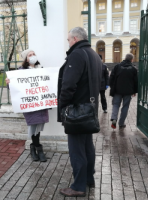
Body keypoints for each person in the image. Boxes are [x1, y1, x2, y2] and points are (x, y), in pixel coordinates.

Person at [57, 27, 102, 197]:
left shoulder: (76, 54)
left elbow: (68, 85)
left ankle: (78, 186)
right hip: (89, 110)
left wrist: (63, 107)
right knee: (87, 147)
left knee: (77, 150)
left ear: (75, 39)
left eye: (68, 40)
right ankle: (88, 179)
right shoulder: (93, 54)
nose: (68, 43)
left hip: (77, 112)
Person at [5, 49, 48, 162]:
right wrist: (9, 83)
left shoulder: (41, 69)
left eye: (34, 54)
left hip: (40, 103)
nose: (33, 56)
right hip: (30, 104)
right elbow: (14, 87)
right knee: (33, 125)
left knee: (39, 125)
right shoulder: (21, 71)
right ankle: (37, 149)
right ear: (26, 59)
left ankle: (34, 147)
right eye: (30, 55)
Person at [109, 53, 138, 129]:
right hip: (128, 91)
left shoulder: (117, 67)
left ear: (125, 58)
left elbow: (111, 77)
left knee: (116, 105)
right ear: (132, 60)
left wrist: (112, 87)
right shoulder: (133, 69)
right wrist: (135, 91)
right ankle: (121, 123)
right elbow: (136, 81)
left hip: (117, 90)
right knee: (125, 107)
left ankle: (114, 119)